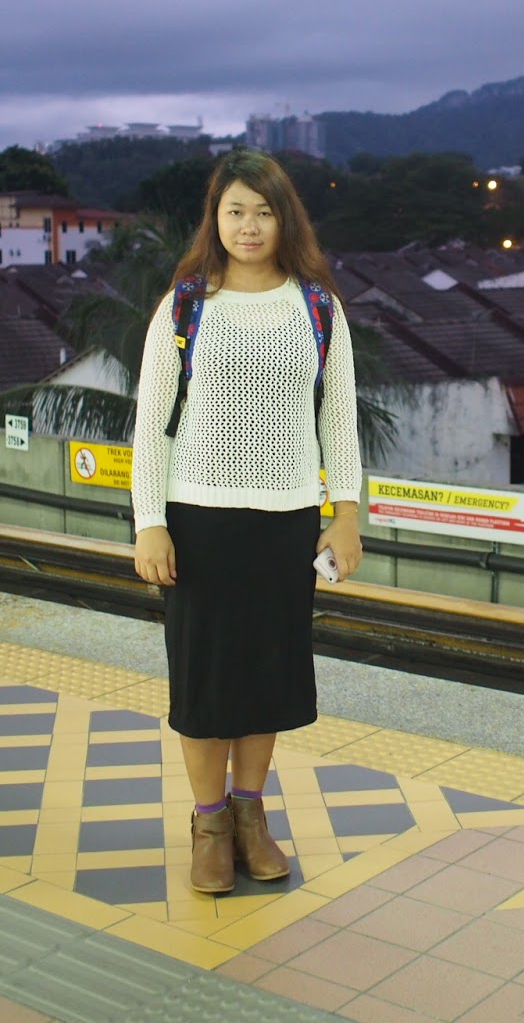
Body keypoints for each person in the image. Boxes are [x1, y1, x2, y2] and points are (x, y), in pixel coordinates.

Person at [130, 149, 363, 894]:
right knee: (204, 683)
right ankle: (208, 827)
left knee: (266, 678)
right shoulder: (185, 307)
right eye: (236, 211)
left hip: (287, 524)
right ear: (216, 219)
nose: (250, 225)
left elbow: (339, 420)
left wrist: (346, 515)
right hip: (198, 524)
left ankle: (250, 818)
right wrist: (149, 522)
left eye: (264, 212)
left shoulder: (318, 308)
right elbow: (150, 427)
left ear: (284, 219)